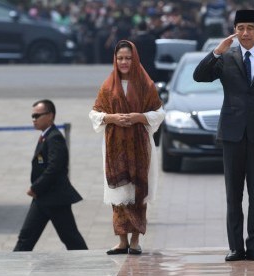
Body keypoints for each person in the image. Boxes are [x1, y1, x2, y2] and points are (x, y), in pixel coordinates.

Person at [193, 9, 254, 262]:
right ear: (235, 29)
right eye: (240, 28)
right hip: (232, 135)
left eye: (250, 28)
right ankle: (236, 247)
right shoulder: (226, 57)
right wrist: (216, 52)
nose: (245, 33)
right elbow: (199, 76)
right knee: (233, 195)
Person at [88, 40, 165, 255]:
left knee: (137, 192)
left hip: (140, 147)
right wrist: (111, 118)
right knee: (119, 194)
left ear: (135, 59)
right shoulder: (107, 86)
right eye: (120, 58)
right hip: (115, 148)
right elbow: (94, 114)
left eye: (128, 58)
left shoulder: (145, 85)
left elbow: (159, 113)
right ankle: (121, 241)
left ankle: (135, 241)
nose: (124, 62)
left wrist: (139, 117)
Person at [14, 99, 88, 251]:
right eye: (32, 116)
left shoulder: (54, 137)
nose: (34, 120)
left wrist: (35, 187)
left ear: (50, 116)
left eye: (37, 116)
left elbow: (54, 168)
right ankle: (12, 270)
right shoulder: (46, 136)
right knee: (26, 238)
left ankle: (91, 268)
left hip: (55, 199)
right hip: (43, 198)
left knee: (71, 238)